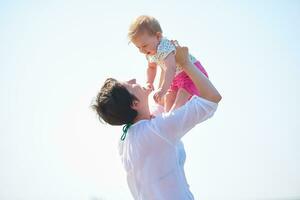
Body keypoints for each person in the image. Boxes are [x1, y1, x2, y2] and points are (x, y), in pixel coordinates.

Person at [92, 44, 222, 200]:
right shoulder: (156, 130)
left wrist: (165, 56)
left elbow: (162, 100)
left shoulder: (127, 138)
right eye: (130, 85)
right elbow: (212, 98)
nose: (133, 79)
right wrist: (186, 63)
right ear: (134, 104)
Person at [128, 15, 209, 112]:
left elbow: (170, 68)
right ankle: (168, 120)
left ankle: (175, 117)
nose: (142, 50)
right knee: (168, 102)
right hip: (175, 78)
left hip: (190, 75)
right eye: (138, 47)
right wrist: (149, 81)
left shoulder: (164, 46)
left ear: (158, 36)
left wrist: (163, 89)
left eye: (144, 46)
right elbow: (152, 67)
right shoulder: (150, 52)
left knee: (178, 103)